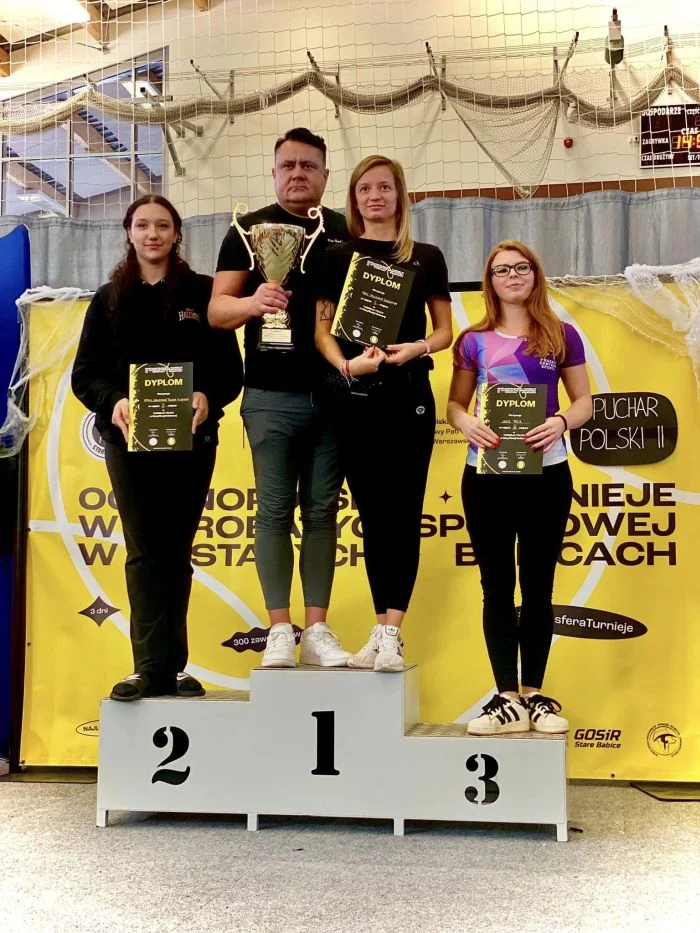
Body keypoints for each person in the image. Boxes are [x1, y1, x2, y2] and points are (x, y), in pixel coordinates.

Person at [72, 194, 242, 701]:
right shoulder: (108, 298)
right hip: (128, 445)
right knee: (145, 552)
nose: (152, 234)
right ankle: (148, 667)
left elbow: (229, 371)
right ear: (129, 232)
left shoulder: (203, 292)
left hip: (193, 443)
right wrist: (115, 401)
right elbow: (85, 375)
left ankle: (174, 667)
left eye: (162, 225)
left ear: (176, 234)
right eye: (143, 225)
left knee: (176, 552)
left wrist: (207, 395)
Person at [209, 127, 351, 669]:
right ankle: (278, 630)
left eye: (308, 166)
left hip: (335, 394)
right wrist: (253, 303)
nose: (297, 174)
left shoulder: (345, 231)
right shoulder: (245, 231)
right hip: (270, 394)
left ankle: (316, 630)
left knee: (322, 512)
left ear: (325, 175)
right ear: (273, 173)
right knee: (272, 511)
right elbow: (217, 310)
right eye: (288, 165)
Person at [447, 240, 592, 734]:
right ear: (489, 281)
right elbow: (455, 406)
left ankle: (534, 696)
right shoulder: (472, 340)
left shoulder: (562, 335)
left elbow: (584, 402)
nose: (512, 276)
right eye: (502, 270)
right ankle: (506, 697)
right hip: (486, 477)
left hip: (547, 475)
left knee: (538, 587)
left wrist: (561, 422)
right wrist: (466, 423)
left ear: (535, 275)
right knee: (496, 588)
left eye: (521, 267)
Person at [315, 155, 453, 672]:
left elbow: (445, 331)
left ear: (400, 195)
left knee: (403, 514)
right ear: (354, 199)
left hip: (409, 396)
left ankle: (393, 631)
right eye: (365, 189)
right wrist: (346, 366)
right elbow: (321, 330)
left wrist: (417, 348)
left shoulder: (426, 257)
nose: (375, 196)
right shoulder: (336, 256)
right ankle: (379, 631)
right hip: (355, 399)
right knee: (373, 517)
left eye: (384, 188)